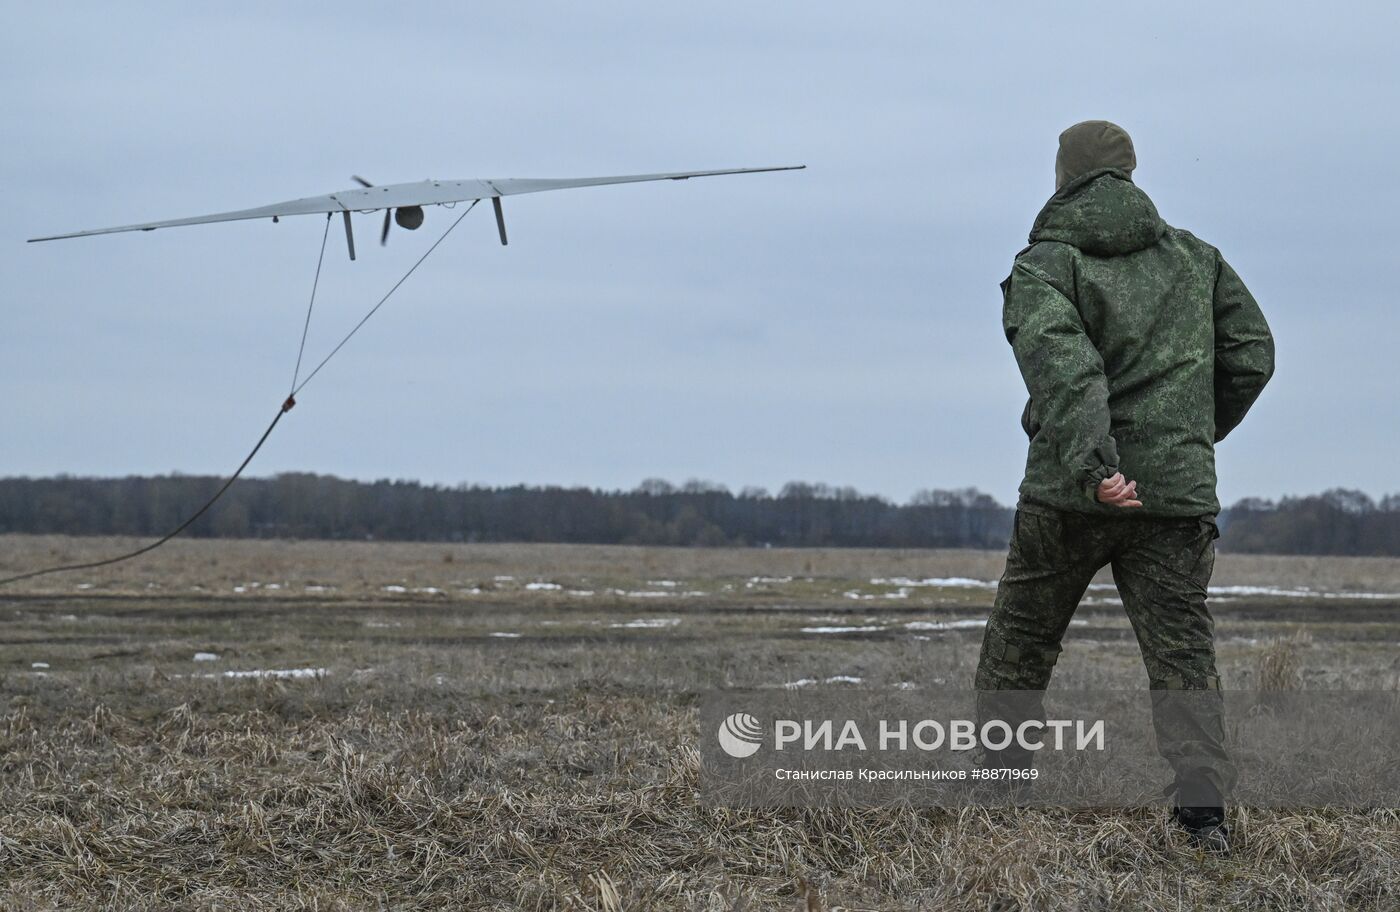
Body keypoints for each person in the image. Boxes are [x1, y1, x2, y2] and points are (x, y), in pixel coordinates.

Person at [974, 120, 1275, 854]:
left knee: (1020, 643)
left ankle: (997, 792)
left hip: (1070, 495)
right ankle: (1203, 818)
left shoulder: (1046, 265)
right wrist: (1184, 444)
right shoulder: (1197, 259)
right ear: (1129, 172)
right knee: (1181, 657)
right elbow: (1252, 357)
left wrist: (1096, 468)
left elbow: (1066, 369)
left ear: (1063, 175)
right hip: (1173, 498)